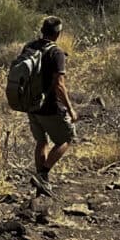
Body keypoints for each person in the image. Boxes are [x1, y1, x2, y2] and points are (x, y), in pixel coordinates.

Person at [23, 17, 76, 191]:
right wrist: (70, 109)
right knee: (66, 139)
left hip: (31, 105)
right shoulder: (56, 53)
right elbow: (59, 85)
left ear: (42, 30)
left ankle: (41, 184)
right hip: (50, 106)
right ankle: (43, 174)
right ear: (58, 34)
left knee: (41, 141)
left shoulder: (29, 47)